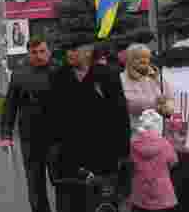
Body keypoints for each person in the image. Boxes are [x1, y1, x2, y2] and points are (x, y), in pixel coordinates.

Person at [44, 42, 131, 181]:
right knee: (71, 200)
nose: (69, 53)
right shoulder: (58, 77)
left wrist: (123, 152)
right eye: (68, 50)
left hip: (103, 155)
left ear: (88, 52)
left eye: (74, 49)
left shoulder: (108, 74)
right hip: (69, 157)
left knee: (103, 199)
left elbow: (120, 115)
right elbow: (52, 117)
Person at [0, 37, 56, 212]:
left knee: (62, 185)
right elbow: (9, 106)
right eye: (34, 52)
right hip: (31, 140)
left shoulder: (59, 72)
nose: (39, 56)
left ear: (48, 51)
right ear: (28, 54)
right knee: (36, 188)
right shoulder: (20, 75)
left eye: (42, 51)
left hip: (57, 140)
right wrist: (5, 134)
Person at [129, 109, 178, 212]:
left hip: (141, 186)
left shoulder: (134, 145)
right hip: (161, 186)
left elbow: (130, 163)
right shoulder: (164, 144)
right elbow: (173, 161)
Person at [120, 43, 173, 138]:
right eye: (138, 58)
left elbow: (169, 97)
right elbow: (130, 104)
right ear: (129, 60)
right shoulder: (121, 79)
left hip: (157, 133)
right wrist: (156, 104)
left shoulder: (156, 77)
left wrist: (167, 107)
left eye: (146, 57)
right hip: (134, 133)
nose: (143, 60)